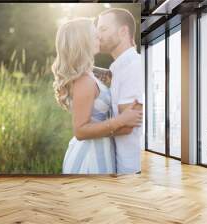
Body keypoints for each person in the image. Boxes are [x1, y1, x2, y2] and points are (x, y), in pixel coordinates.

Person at [51, 18, 143, 174]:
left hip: (100, 149)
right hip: (90, 157)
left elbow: (103, 72)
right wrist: (120, 120)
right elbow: (80, 131)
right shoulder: (84, 81)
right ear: (83, 42)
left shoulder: (87, 74)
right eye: (94, 35)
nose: (99, 37)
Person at [96, 8, 144, 174]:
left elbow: (126, 126)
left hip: (131, 168)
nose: (97, 35)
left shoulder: (133, 67)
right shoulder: (119, 68)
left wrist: (85, 131)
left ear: (123, 31)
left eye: (103, 29)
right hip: (122, 164)